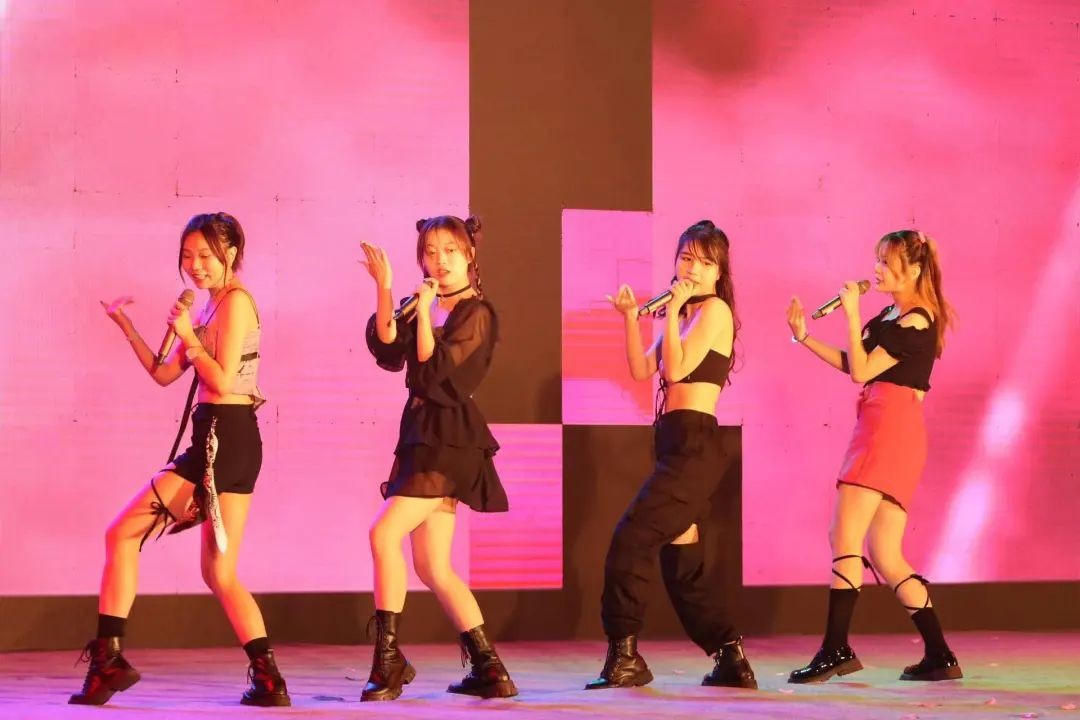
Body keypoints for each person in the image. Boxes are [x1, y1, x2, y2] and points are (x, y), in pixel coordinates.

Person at [71, 212, 289, 707]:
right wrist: (126, 325)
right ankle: (269, 680)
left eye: (205, 255)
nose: (195, 266)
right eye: (188, 256)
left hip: (222, 439)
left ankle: (108, 662)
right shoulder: (213, 306)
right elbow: (164, 374)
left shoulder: (236, 303)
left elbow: (223, 380)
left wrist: (189, 335)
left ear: (231, 253)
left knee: (121, 535)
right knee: (220, 574)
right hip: (229, 438)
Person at [586, 220, 757, 691]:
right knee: (683, 565)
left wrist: (675, 308)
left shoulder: (714, 310)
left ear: (719, 272)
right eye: (686, 258)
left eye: (705, 262)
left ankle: (625, 656)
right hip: (674, 442)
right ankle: (730, 656)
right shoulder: (684, 314)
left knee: (631, 539)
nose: (693, 269)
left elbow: (676, 369)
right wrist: (630, 318)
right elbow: (643, 369)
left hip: (696, 446)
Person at [786, 230, 962, 683]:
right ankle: (940, 654)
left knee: (843, 535)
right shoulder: (890, 315)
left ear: (914, 270)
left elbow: (861, 370)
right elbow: (856, 363)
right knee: (884, 551)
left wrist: (850, 312)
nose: (877, 269)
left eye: (886, 262)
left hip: (889, 428)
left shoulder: (917, 321)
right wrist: (805, 337)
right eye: (877, 260)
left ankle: (835, 649)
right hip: (883, 424)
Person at [359, 215, 517, 701]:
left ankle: (388, 660)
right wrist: (385, 288)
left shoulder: (477, 312)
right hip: (421, 435)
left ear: (469, 255)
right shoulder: (424, 302)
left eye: (449, 250)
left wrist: (425, 313)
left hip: (449, 439)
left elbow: (435, 370)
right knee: (432, 566)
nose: (439, 260)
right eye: (430, 252)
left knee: (383, 534)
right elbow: (388, 348)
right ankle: (490, 669)